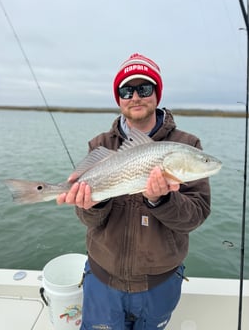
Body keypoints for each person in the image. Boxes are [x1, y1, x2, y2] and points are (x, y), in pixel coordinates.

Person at [57, 53, 211, 330]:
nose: (135, 96)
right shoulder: (101, 144)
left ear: (157, 94)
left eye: (144, 88)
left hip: (160, 282)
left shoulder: (186, 145)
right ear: (118, 98)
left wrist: (161, 199)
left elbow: (195, 216)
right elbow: (88, 220)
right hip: (103, 278)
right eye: (126, 90)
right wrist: (91, 205)